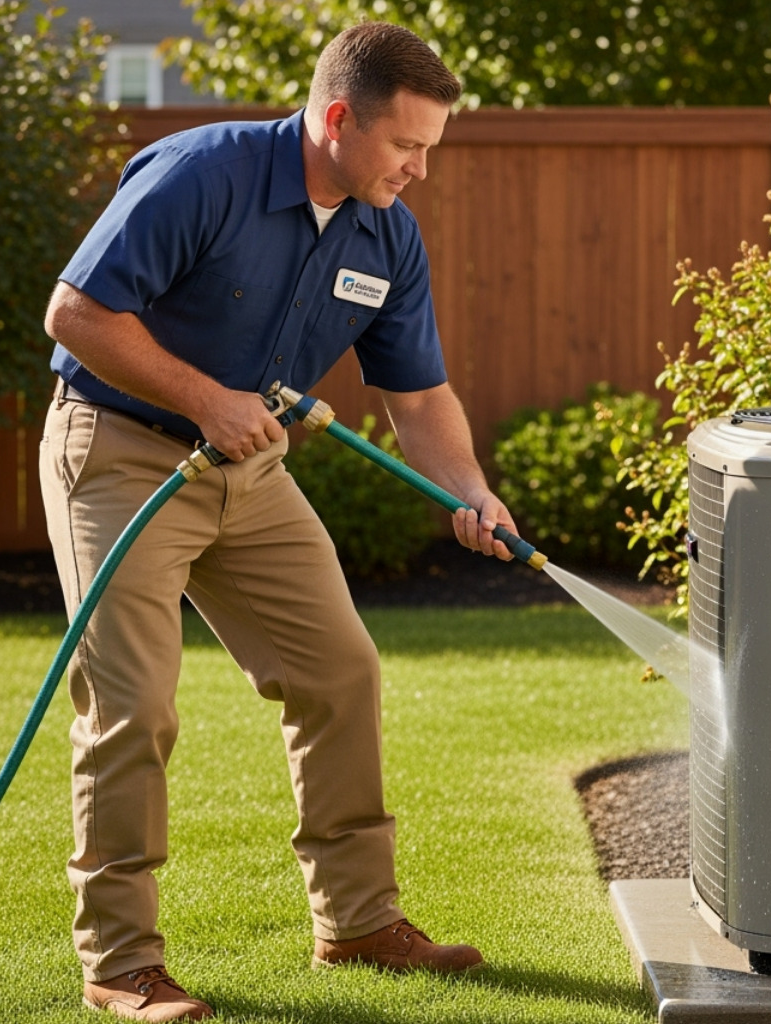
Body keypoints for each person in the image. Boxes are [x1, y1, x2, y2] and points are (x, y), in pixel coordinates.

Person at [39, 22, 517, 1023]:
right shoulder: (201, 176)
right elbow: (76, 313)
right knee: (134, 703)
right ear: (338, 119)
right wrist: (210, 398)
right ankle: (121, 965)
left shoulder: (386, 230)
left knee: (340, 670)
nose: (421, 168)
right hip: (120, 451)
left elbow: (418, 398)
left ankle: (357, 923)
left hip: (247, 473)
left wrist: (470, 490)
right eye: (406, 145)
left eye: (432, 147)